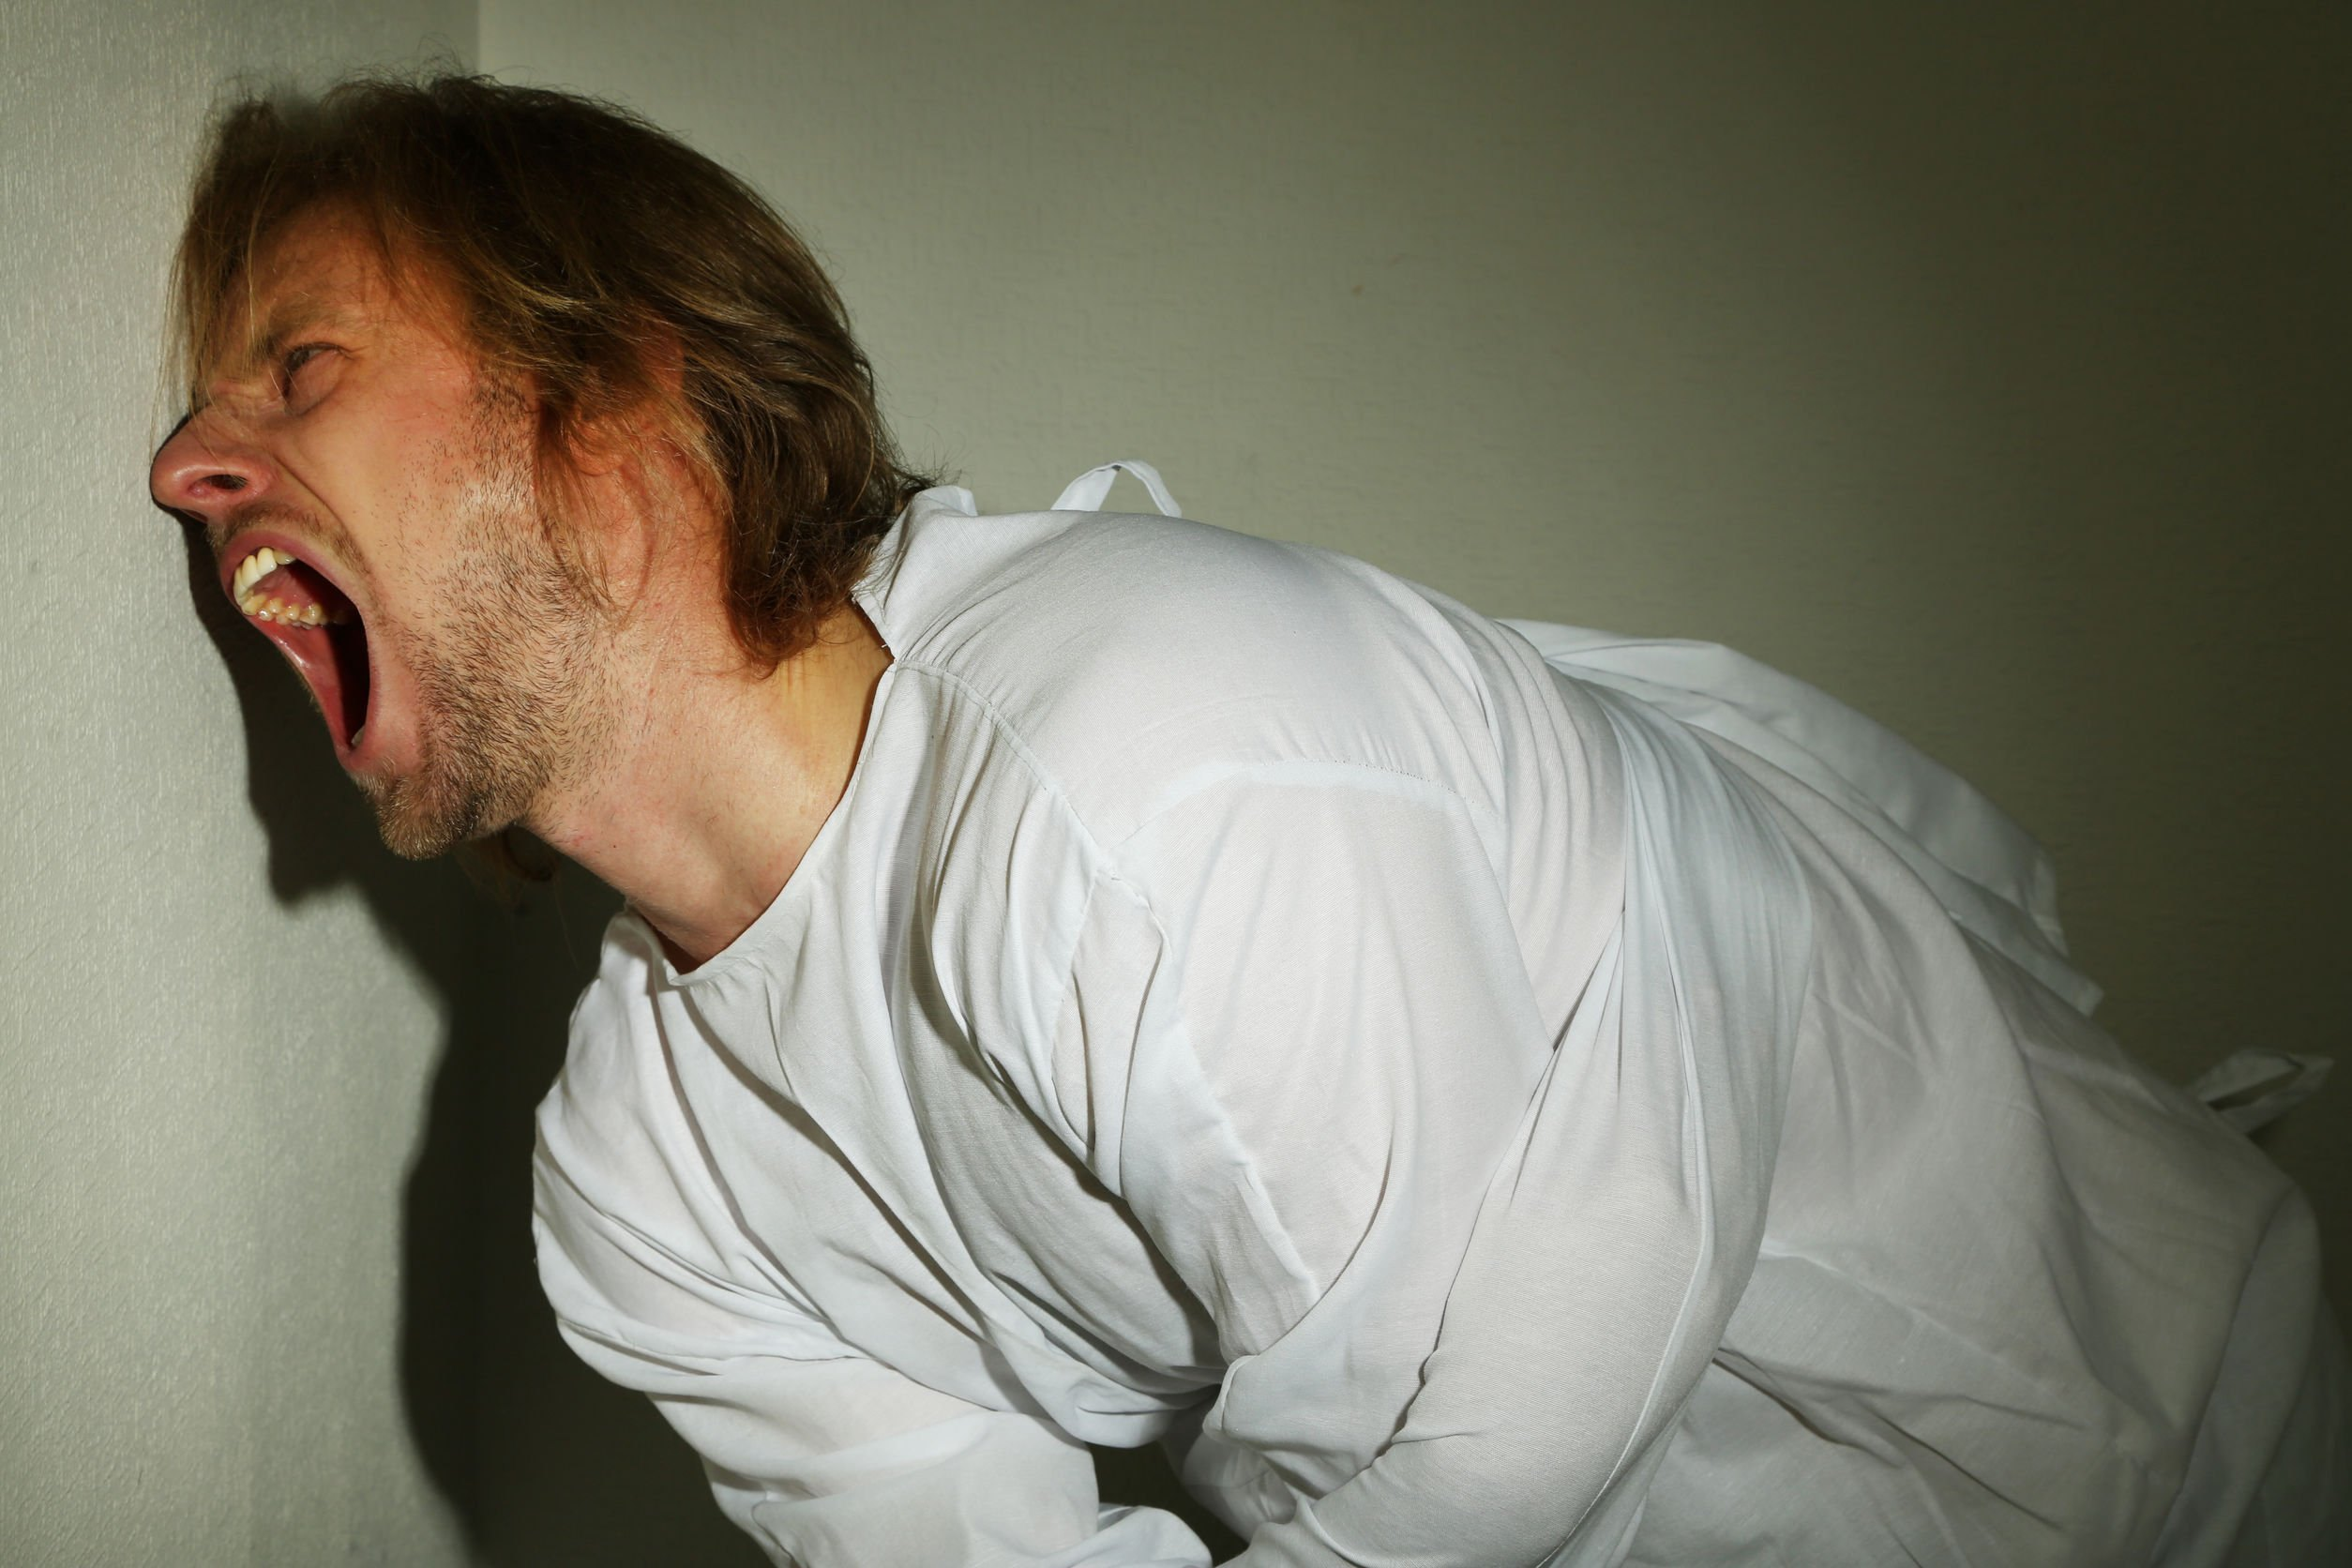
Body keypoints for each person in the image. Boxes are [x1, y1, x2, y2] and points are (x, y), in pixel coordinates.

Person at [149, 74, 2346, 1567]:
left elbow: (1508, 1429)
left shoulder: (1153, 754)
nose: (185, 469)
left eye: (300, 368)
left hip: (2176, 1445)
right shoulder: (639, 1197)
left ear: (627, 389)